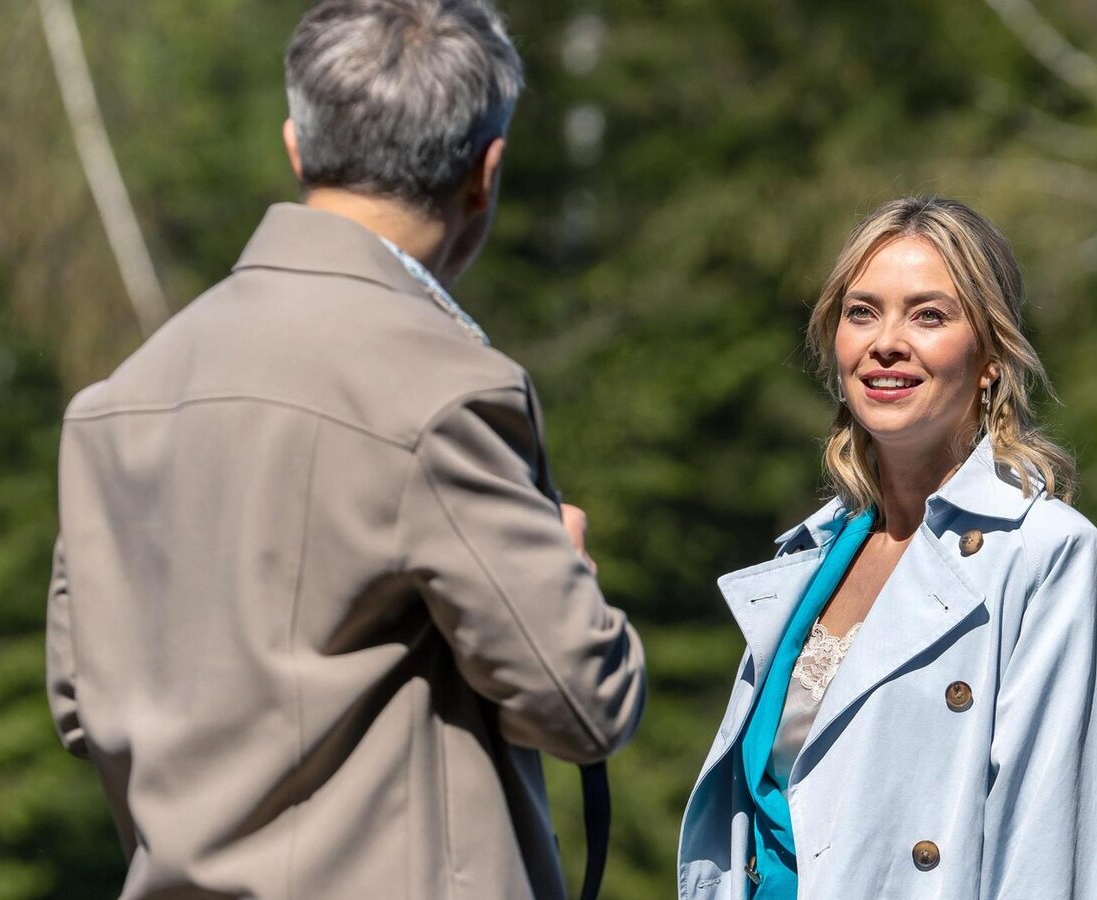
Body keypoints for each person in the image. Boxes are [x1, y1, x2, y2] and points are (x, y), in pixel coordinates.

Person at [45, 1, 646, 897]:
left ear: (297, 146)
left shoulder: (115, 402)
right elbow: (584, 702)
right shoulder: (444, 390)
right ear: (486, 171)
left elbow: (78, 702)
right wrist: (565, 575)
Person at [677, 196, 1097, 899]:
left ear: (990, 356)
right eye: (862, 312)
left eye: (929, 315)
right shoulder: (812, 556)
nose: (886, 341)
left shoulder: (1052, 559)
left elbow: (1054, 860)